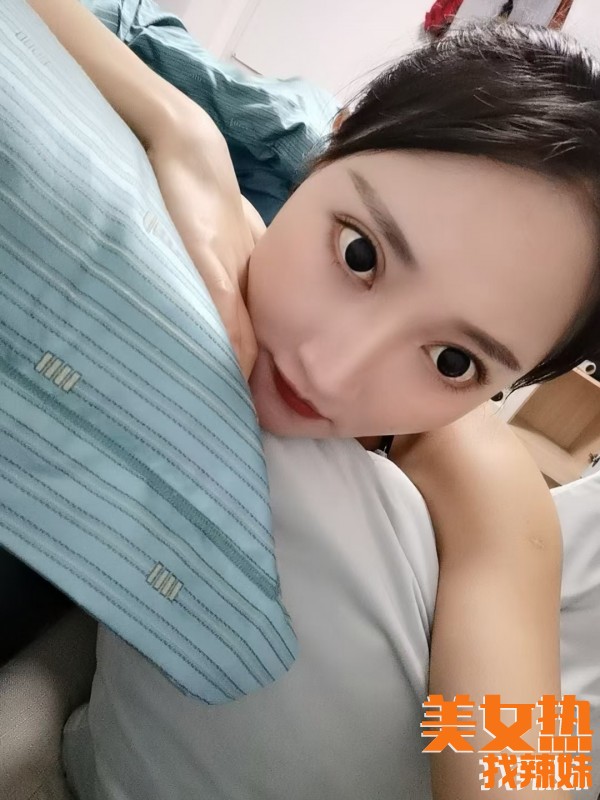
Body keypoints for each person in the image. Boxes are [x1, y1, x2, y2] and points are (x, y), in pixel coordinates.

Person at [24, 1, 600, 797]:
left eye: (453, 361)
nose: (330, 372)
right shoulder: (272, 128)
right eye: (360, 254)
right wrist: (181, 129)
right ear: (336, 141)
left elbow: (519, 760)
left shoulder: (485, 478)